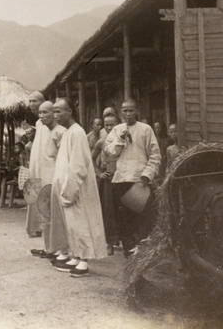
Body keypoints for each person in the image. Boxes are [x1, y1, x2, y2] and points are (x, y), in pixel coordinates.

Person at [51, 98, 107, 277]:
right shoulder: (68, 133)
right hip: (68, 186)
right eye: (54, 111)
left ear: (70, 112)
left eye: (59, 111)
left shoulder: (78, 133)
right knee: (73, 224)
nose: (56, 115)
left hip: (77, 187)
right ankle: (76, 255)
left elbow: (78, 164)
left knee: (82, 222)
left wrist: (71, 188)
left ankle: (84, 260)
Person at [105, 98, 161, 256]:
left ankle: (140, 251)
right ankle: (129, 252)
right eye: (124, 110)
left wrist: (146, 176)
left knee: (140, 219)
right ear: (121, 112)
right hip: (120, 180)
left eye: (130, 110)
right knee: (123, 219)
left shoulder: (145, 129)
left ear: (137, 111)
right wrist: (120, 139)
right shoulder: (116, 130)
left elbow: (155, 155)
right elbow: (110, 153)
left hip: (138, 181)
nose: (127, 114)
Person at [27, 101, 67, 259]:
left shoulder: (61, 132)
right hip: (43, 178)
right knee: (45, 216)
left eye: (46, 112)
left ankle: (61, 250)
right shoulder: (43, 129)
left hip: (55, 179)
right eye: (40, 113)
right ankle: (50, 248)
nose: (41, 115)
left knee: (57, 217)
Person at [92, 112, 120, 255]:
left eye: (112, 124)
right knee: (109, 211)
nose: (109, 127)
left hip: (122, 179)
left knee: (123, 210)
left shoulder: (124, 140)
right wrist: (99, 173)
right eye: (106, 124)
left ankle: (127, 242)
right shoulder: (101, 142)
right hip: (108, 180)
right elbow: (91, 158)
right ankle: (109, 243)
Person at [25, 91, 46, 236]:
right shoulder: (38, 123)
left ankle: (43, 226)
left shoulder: (48, 122)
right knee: (35, 194)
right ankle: (37, 226)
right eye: (30, 101)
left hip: (44, 164)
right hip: (36, 164)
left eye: (35, 101)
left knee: (43, 194)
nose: (31, 104)